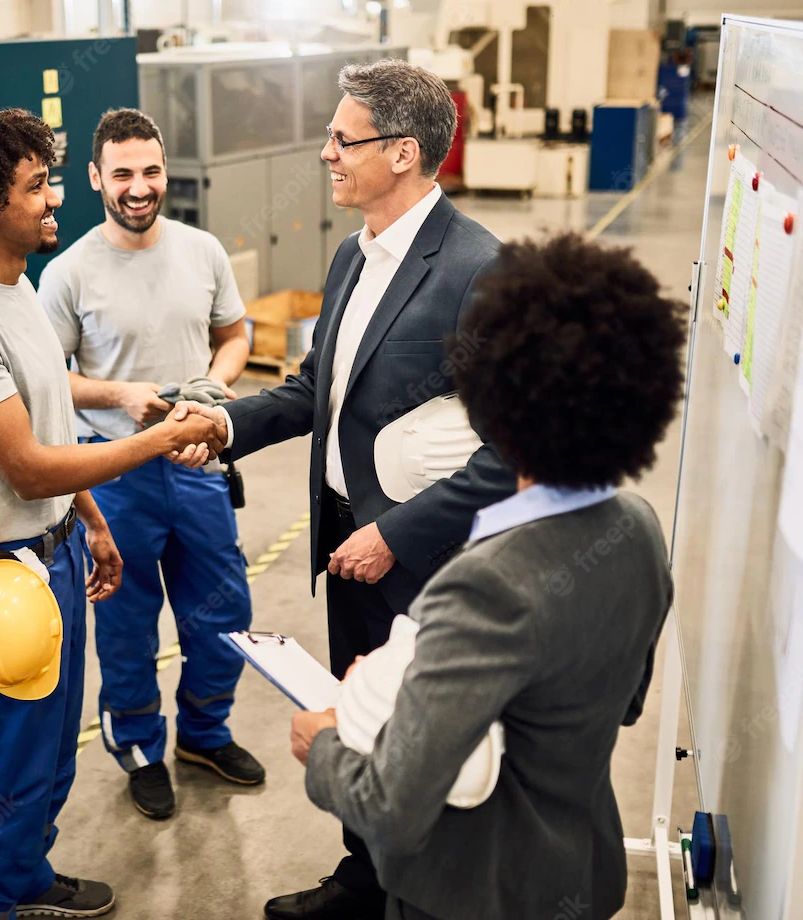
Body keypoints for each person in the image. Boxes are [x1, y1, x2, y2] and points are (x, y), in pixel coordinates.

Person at [172, 59, 516, 918]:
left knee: (424, 735)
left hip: (425, 560)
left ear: (403, 153)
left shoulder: (480, 269)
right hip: (343, 542)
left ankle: (426, 894)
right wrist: (224, 428)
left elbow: (509, 452)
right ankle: (364, 880)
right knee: (355, 709)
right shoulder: (349, 257)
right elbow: (315, 386)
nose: (325, 152)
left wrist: (397, 531)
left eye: (342, 138)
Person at [290, 232, 685, 920]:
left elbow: (391, 807)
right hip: (584, 874)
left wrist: (321, 741)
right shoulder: (640, 529)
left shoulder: (485, 586)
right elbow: (622, 705)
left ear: (494, 406)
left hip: (478, 893)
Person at [0, 105, 224, 920]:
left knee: (44, 761)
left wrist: (90, 518)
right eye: (37, 187)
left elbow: (47, 430)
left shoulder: (18, 290)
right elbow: (26, 463)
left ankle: (24, 879)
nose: (54, 201)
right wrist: (164, 438)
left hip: (49, 555)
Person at [38, 107, 262, 822]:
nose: (140, 187)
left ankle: (204, 734)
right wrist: (116, 394)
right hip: (113, 475)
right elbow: (47, 380)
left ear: (166, 174)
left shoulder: (203, 252)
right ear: (97, 178)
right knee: (129, 627)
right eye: (124, 174)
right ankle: (138, 748)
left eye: (152, 171)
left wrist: (222, 379)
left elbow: (234, 334)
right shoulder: (68, 272)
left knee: (223, 611)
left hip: (196, 462)